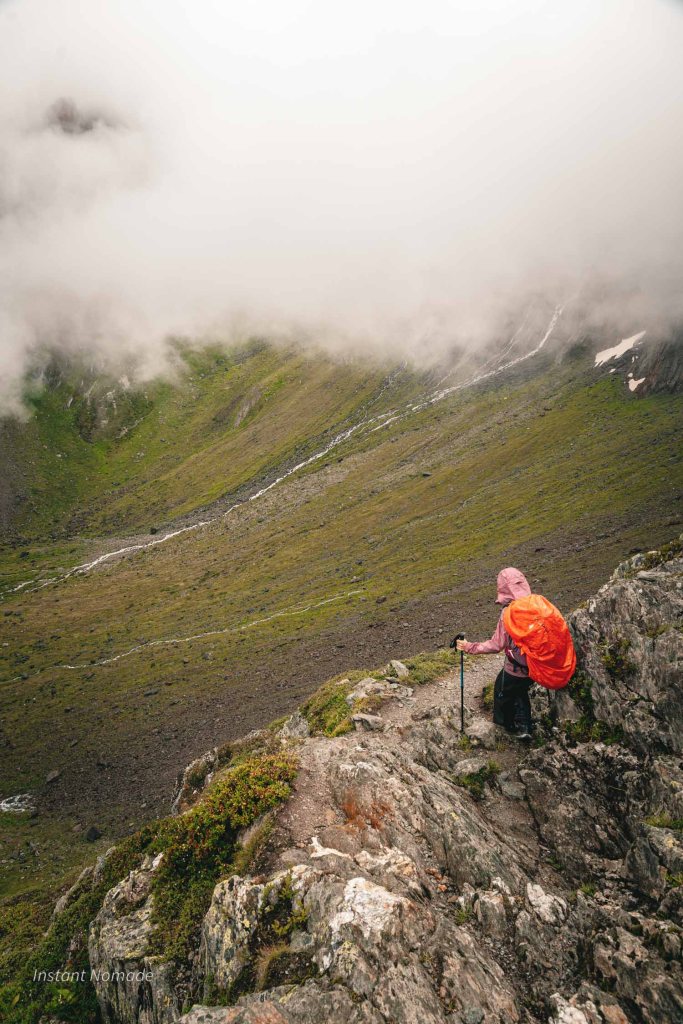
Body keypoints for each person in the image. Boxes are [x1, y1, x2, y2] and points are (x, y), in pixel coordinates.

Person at [456, 567, 533, 739]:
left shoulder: (509, 612)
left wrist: (469, 647)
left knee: (502, 691)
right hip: (537, 665)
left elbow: (496, 645)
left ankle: (504, 729)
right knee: (521, 691)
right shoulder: (535, 605)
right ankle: (526, 726)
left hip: (516, 667)